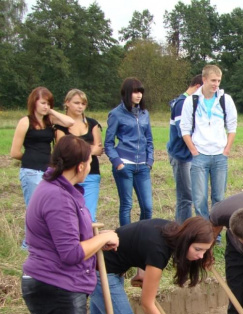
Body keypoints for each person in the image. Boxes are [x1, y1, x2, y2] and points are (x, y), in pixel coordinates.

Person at [21, 135, 119, 314]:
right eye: (90, 161)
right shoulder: (58, 197)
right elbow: (71, 253)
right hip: (56, 286)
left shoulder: (60, 190)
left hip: (56, 283)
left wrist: (97, 242)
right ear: (81, 165)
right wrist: (103, 237)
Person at [89, 217, 214, 314]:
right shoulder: (159, 251)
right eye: (198, 249)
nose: (201, 256)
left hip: (104, 267)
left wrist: (142, 271)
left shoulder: (169, 230)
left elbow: (140, 241)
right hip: (100, 273)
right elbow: (147, 304)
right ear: (186, 240)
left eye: (205, 251)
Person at [10, 87, 75, 248]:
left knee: (48, 207)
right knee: (34, 207)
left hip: (47, 170)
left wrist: (51, 112)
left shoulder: (49, 121)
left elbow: (69, 122)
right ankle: (28, 243)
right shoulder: (25, 121)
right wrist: (30, 158)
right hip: (31, 170)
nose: (46, 106)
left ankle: (42, 242)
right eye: (43, 103)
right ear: (34, 102)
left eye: (49, 103)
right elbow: (14, 152)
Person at [180, 64, 238, 220]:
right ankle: (203, 232)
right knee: (199, 199)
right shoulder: (191, 101)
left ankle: (216, 232)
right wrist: (193, 150)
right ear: (204, 79)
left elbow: (232, 126)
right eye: (213, 80)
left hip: (220, 155)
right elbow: (184, 128)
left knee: (219, 197)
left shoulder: (226, 100)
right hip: (200, 156)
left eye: (218, 81)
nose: (216, 84)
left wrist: (226, 150)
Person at [105, 77, 154, 227]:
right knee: (127, 205)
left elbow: (149, 140)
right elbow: (108, 143)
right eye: (135, 92)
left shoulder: (144, 113)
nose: (139, 95)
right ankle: (125, 239)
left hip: (143, 167)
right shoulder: (116, 114)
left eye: (141, 92)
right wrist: (118, 163)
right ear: (126, 93)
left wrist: (150, 161)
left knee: (147, 207)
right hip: (125, 165)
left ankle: (141, 235)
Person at [55, 89, 103, 221]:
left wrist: (75, 149)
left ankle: (88, 240)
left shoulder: (93, 123)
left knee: (88, 216)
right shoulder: (60, 127)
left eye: (83, 103)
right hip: (69, 174)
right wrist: (89, 149)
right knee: (69, 214)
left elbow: (98, 149)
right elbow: (63, 151)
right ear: (67, 103)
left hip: (91, 173)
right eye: (76, 103)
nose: (80, 106)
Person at [167, 74, 203, 224]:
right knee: (185, 197)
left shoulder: (189, 102)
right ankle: (182, 231)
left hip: (190, 156)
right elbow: (184, 133)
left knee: (192, 195)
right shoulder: (182, 104)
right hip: (182, 156)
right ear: (197, 87)